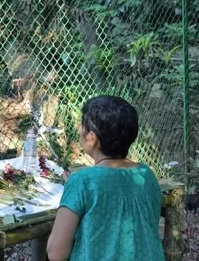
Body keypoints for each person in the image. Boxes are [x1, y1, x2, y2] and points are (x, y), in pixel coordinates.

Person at [46, 95, 165, 261]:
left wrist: (73, 188)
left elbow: (56, 253)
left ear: (92, 138)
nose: (80, 131)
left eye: (82, 127)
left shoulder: (82, 182)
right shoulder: (146, 174)